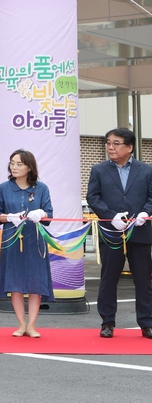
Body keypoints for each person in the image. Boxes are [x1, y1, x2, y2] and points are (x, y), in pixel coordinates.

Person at [87, 127, 152, 339]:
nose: (110, 147)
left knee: (143, 279)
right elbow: (93, 197)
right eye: (108, 143)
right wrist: (110, 216)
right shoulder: (99, 169)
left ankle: (147, 323)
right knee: (108, 278)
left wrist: (145, 212)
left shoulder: (146, 170)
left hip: (140, 231)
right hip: (111, 232)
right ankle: (107, 322)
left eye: (116, 143)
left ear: (130, 147)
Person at [0, 149, 54, 338]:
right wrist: (8, 217)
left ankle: (32, 325)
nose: (14, 167)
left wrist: (41, 214)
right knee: (15, 282)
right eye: (12, 163)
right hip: (11, 239)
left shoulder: (41, 188)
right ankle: (21, 324)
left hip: (34, 240)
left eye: (19, 164)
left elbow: (49, 214)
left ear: (29, 167)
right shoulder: (4, 187)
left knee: (36, 282)